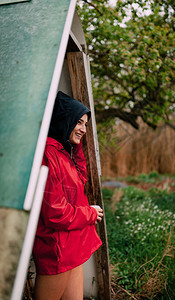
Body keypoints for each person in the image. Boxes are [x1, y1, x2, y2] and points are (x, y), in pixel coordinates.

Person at [32, 91, 103, 300]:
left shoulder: (62, 151)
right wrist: (90, 213)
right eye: (79, 122)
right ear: (64, 119)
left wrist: (75, 146)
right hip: (57, 250)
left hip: (72, 246)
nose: (83, 128)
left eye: (86, 124)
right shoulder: (47, 154)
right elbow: (56, 213)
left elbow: (80, 180)